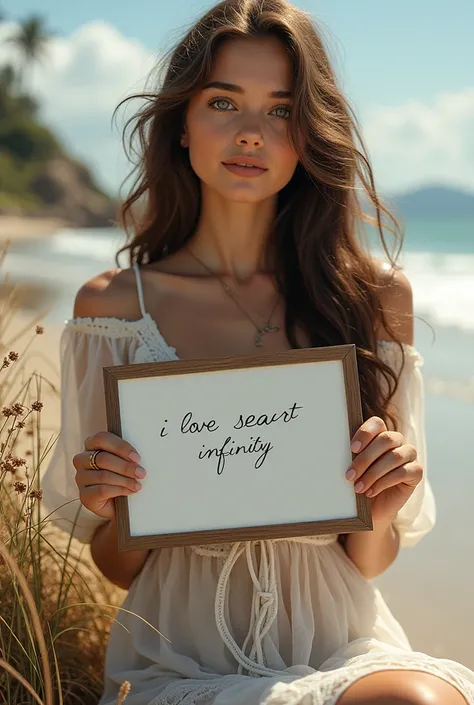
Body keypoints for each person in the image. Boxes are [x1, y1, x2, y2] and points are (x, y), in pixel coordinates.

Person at [41, 1, 474, 703]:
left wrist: (383, 504)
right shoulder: (118, 310)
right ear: (183, 123)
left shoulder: (371, 298)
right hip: (182, 661)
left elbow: (367, 562)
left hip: (343, 644)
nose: (251, 134)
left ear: (309, 133)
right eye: (223, 102)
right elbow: (121, 569)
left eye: (280, 110)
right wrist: (115, 502)